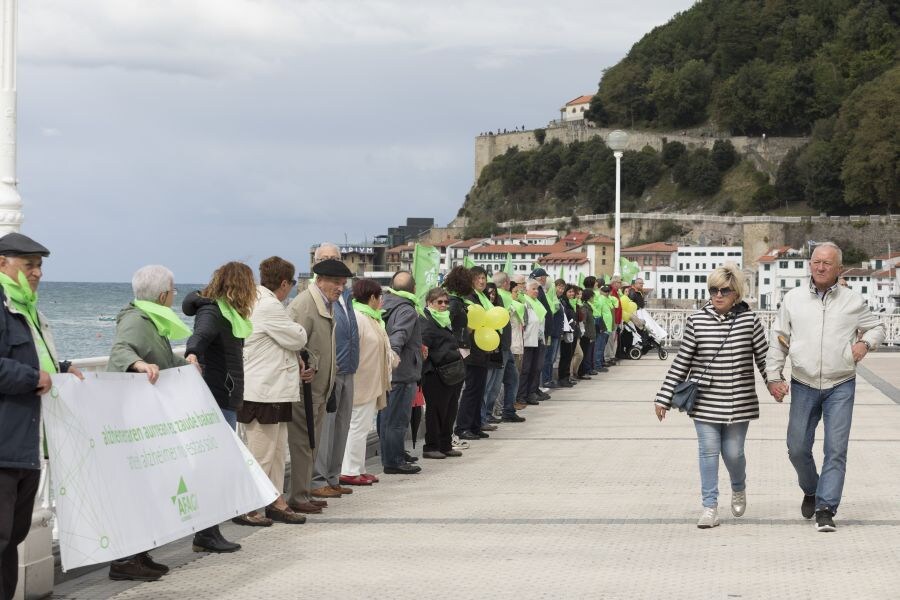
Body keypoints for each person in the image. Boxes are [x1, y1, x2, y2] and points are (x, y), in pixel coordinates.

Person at [766, 242, 885, 532]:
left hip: (840, 384)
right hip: (803, 383)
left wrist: (863, 343)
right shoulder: (793, 299)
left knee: (836, 449)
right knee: (796, 447)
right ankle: (811, 489)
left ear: (838, 269)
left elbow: (877, 327)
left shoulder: (853, 301)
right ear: (810, 264)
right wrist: (774, 376)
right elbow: (779, 337)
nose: (820, 267)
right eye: (816, 261)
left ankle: (825, 508)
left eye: (827, 263)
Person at [0, 233, 83, 600]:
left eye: (40, 266)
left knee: (11, 540)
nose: (36, 273)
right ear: (2, 263)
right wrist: (33, 378)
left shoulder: (29, 310)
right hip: (4, 445)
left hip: (27, 446)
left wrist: (62, 369)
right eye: (28, 264)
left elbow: (35, 360)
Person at [655, 265, 768, 529]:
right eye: (713, 290)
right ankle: (710, 507)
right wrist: (663, 397)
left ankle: (738, 487)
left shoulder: (750, 321)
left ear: (736, 293)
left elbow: (763, 359)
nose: (718, 295)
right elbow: (682, 362)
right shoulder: (697, 321)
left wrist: (775, 383)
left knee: (734, 453)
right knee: (708, 452)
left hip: (739, 401)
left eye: (724, 291)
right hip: (705, 400)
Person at [105, 265, 194, 580]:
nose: (174, 295)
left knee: (147, 489)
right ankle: (124, 560)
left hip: (149, 419)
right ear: (163, 294)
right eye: (173, 290)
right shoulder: (136, 320)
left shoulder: (150, 319)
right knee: (135, 489)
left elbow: (164, 361)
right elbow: (120, 352)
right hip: (134, 420)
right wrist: (138, 364)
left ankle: (139, 553)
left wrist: (186, 364)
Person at [183, 261, 256, 553]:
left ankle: (208, 531)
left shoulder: (226, 312)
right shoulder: (214, 311)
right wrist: (191, 354)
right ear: (239, 287)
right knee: (213, 468)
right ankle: (206, 533)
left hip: (225, 396)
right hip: (215, 398)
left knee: (217, 467)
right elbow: (200, 336)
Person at [236, 256, 308, 526]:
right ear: (284, 283)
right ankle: (248, 506)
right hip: (262, 391)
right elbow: (298, 337)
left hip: (274, 390)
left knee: (277, 453)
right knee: (262, 453)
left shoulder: (254, 300)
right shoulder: (268, 305)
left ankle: (275, 501)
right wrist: (297, 331)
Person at [286, 258, 353, 512]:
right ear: (320, 280)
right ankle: (299, 496)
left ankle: (305, 491)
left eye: (343, 284)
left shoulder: (326, 303)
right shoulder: (305, 306)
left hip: (320, 389)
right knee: (303, 443)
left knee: (311, 443)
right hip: (305, 389)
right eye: (336, 282)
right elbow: (293, 343)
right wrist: (308, 365)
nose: (341, 288)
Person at [310, 244, 359, 500]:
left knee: (342, 426)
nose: (330, 262)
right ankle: (318, 479)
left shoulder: (346, 295)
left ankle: (333, 476)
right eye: (325, 259)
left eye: (335, 259)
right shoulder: (314, 295)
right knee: (325, 428)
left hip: (348, 369)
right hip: (328, 372)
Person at [341, 278, 397, 484]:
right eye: (379, 297)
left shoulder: (372, 318)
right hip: (361, 379)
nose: (381, 301)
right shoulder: (358, 317)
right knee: (357, 425)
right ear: (372, 297)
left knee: (363, 426)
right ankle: (349, 470)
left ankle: (358, 467)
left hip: (372, 380)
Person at [380, 271, 424, 473]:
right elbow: (399, 335)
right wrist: (393, 358)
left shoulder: (384, 304)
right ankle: (394, 460)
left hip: (387, 372)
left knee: (386, 418)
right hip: (402, 370)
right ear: (413, 289)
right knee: (398, 419)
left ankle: (392, 453)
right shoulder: (406, 309)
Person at [420, 287, 466, 459]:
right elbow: (424, 349)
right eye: (439, 302)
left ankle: (445, 444)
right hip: (435, 373)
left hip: (452, 372)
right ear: (429, 303)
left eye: (446, 302)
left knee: (450, 410)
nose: (443, 305)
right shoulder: (426, 321)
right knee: (436, 411)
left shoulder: (444, 319)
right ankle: (431, 446)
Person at [444, 266, 479, 442]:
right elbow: (448, 326)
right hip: (457, 350)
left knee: (456, 393)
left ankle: (449, 435)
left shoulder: (456, 301)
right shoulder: (455, 303)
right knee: (453, 394)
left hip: (459, 349)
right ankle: (449, 436)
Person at [517, 280, 547, 406]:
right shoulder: (524, 301)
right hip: (528, 340)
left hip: (538, 339)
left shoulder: (537, 302)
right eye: (533, 289)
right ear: (527, 290)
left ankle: (531, 393)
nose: (536, 291)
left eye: (537, 289)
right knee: (526, 369)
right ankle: (522, 395)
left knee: (536, 368)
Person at [540, 277, 565, 389]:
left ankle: (549, 379)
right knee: (548, 358)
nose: (560, 290)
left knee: (552, 358)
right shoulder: (550, 300)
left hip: (557, 332)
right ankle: (546, 380)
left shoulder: (556, 300)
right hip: (551, 332)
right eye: (558, 287)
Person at [557, 284, 578, 388]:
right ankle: (562, 378)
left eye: (573, 292)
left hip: (571, 332)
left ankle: (566, 377)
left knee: (569, 355)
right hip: (565, 332)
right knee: (565, 356)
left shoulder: (570, 302)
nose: (572, 294)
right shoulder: (563, 302)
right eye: (569, 292)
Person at [577, 287, 597, 379]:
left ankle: (585, 370)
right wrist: (584, 332)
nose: (594, 299)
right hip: (585, 335)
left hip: (588, 334)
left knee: (586, 353)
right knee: (584, 354)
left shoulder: (588, 307)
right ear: (589, 297)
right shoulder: (585, 307)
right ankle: (582, 372)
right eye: (593, 297)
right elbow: (583, 321)